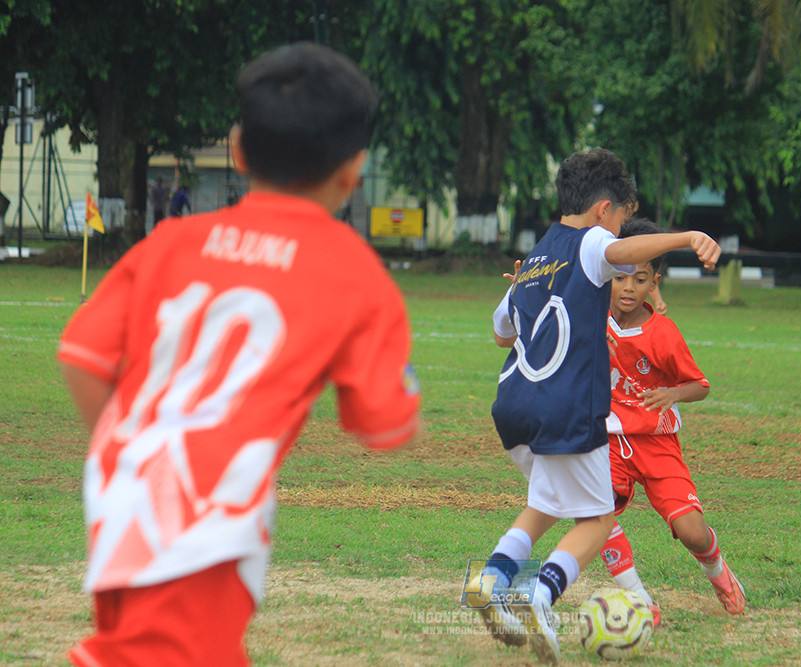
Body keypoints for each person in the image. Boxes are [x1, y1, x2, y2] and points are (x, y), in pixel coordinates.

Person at [57, 43, 421, 667]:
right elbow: (385, 425)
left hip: (122, 489)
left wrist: (130, 457)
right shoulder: (353, 273)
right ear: (354, 170)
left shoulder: (171, 241)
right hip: (205, 514)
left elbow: (82, 357)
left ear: (238, 150)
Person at [472, 148, 720, 664]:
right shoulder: (592, 244)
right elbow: (621, 255)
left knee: (544, 506)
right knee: (598, 519)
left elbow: (502, 334)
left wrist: (526, 288)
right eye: (622, 222)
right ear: (604, 210)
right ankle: (539, 597)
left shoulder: (538, 255)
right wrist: (686, 237)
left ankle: (493, 577)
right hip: (567, 409)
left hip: (514, 407)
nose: (622, 237)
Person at [599, 217, 745, 625]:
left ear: (653, 284)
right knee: (595, 514)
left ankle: (719, 573)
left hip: (657, 443)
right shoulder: (591, 319)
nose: (628, 288)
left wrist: (671, 393)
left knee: (692, 532)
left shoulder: (663, 334)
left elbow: (700, 384)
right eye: (621, 278)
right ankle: (640, 600)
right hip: (607, 441)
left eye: (640, 280)